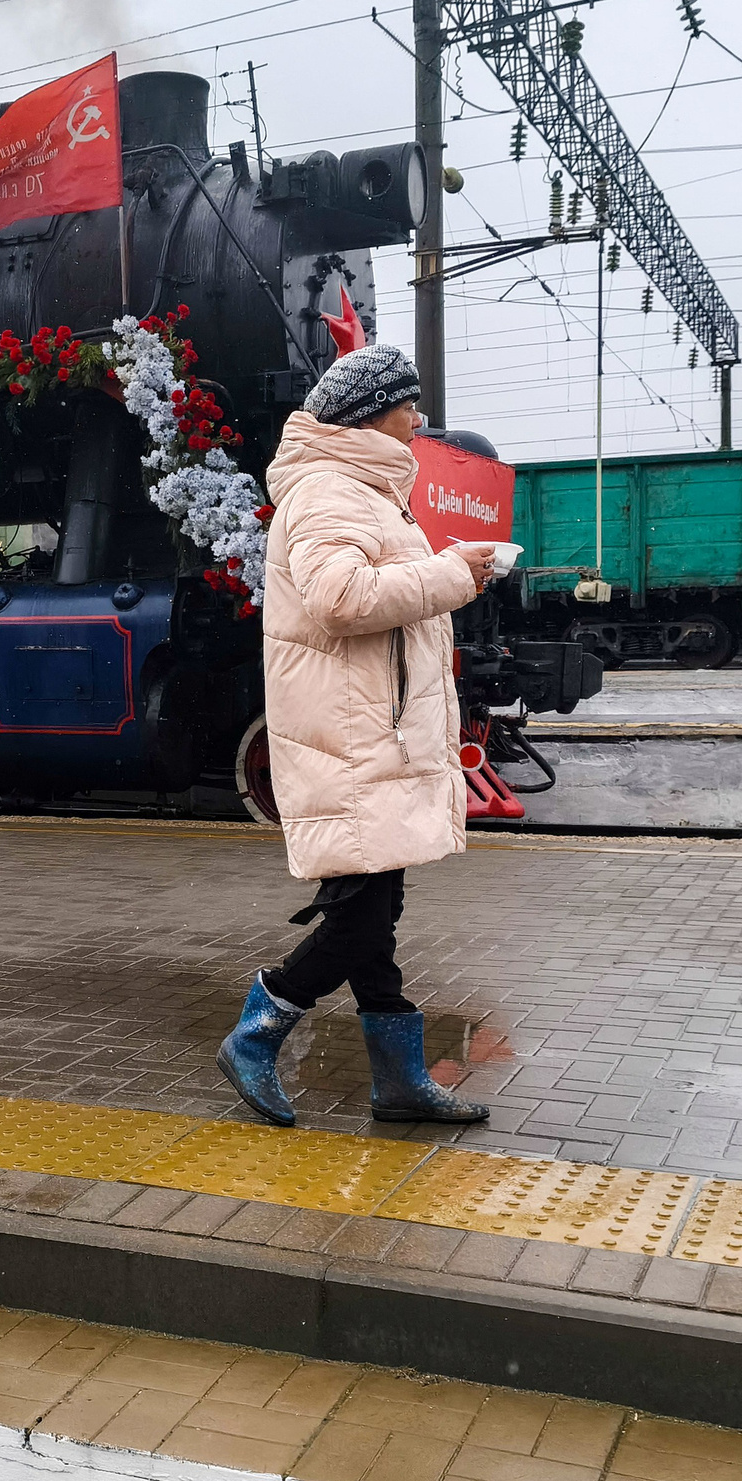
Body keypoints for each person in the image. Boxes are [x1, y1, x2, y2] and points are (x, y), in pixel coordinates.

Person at [217, 344, 515, 1128]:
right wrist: (453, 575)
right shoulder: (329, 489)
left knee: (374, 911)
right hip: (351, 738)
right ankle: (256, 1032)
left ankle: (399, 1081)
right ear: (370, 414)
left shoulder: (364, 488)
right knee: (362, 916)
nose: (418, 420)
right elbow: (341, 599)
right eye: (408, 406)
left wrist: (451, 570)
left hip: (370, 732)